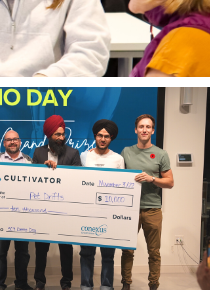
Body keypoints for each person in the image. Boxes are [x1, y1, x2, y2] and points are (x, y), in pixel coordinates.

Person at [120, 114, 173, 290]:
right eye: (141, 127)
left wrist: (151, 179)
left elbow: (170, 182)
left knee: (154, 252)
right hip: (130, 209)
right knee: (127, 250)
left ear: (153, 130)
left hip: (152, 210)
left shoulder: (161, 154)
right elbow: (117, 176)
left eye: (148, 127)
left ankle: (153, 285)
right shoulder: (127, 152)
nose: (144, 130)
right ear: (136, 130)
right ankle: (126, 284)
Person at [33, 115, 82, 290]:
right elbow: (32, 180)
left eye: (62, 134)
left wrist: (57, 170)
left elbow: (78, 180)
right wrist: (42, 169)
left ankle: (66, 281)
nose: (61, 138)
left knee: (65, 248)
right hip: (43, 210)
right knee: (41, 248)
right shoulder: (38, 153)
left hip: (65, 210)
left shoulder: (73, 153)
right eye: (57, 135)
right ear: (49, 135)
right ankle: (39, 280)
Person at [79, 119, 124, 290]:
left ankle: (106, 286)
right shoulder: (84, 156)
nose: (103, 139)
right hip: (88, 212)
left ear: (111, 138)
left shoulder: (118, 159)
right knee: (86, 253)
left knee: (108, 255)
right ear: (95, 136)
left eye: (106, 136)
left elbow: (122, 187)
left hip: (109, 213)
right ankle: (86, 286)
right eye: (100, 135)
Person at [0, 129, 31, 290]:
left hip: (23, 215)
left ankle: (21, 283)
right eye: (8, 140)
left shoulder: (29, 161)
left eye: (15, 139)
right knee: (0, 252)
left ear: (20, 142)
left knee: (23, 252)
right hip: (1, 215)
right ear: (4, 143)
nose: (12, 142)